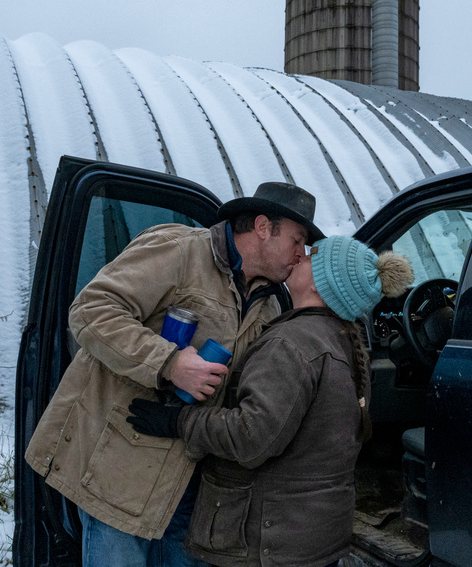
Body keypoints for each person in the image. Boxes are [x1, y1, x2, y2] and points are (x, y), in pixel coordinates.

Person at [25, 182, 324, 567]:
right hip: (120, 475)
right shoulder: (181, 251)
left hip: (189, 485)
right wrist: (169, 363)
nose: (301, 255)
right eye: (297, 240)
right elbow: (91, 311)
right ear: (264, 227)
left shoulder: (267, 307)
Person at [126, 235, 414, 567]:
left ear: (322, 285)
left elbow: (251, 437)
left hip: (269, 542)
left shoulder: (289, 344)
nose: (298, 258)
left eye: (309, 259)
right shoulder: (342, 339)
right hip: (312, 535)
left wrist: (176, 421)